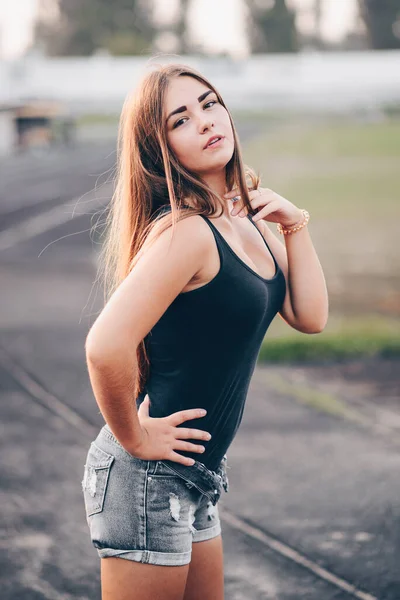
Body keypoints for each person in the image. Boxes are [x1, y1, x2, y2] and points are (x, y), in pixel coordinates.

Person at [81, 62, 329, 600]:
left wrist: (293, 224)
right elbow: (104, 347)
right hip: (148, 478)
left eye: (210, 104)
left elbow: (310, 317)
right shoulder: (186, 233)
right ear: (160, 149)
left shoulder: (252, 220)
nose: (206, 121)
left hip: (197, 478)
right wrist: (135, 437)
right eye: (180, 119)